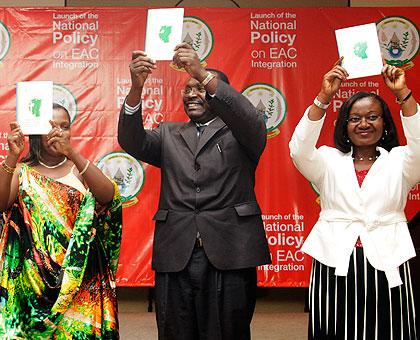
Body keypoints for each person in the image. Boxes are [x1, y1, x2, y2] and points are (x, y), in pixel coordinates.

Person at [118, 43, 271, 339]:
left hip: (230, 248)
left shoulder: (243, 133)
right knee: (175, 331)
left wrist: (200, 72)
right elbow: (131, 140)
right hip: (177, 250)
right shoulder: (169, 133)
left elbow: (248, 116)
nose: (191, 93)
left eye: (199, 87)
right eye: (187, 88)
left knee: (228, 331)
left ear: (218, 94)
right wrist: (136, 90)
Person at [289, 61, 420, 339]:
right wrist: (323, 98)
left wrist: (403, 93)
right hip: (334, 260)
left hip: (387, 260)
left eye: (372, 117)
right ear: (344, 125)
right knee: (333, 329)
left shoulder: (401, 161)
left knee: (389, 329)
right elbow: (298, 149)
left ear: (384, 122)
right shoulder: (327, 159)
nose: (363, 124)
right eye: (354, 118)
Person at [0, 103, 122, 339]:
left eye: (64, 127)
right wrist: (12, 157)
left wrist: (73, 154)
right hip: (32, 282)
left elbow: (108, 196)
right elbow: (1, 204)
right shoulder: (22, 171)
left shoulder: (80, 170)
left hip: (80, 278)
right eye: (50, 126)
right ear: (36, 132)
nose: (57, 132)